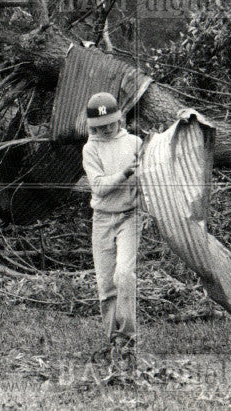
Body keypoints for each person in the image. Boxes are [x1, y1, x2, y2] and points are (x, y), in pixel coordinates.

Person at [81, 91, 143, 359]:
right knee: (106, 284)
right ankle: (111, 342)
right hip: (103, 218)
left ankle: (127, 340)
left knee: (125, 275)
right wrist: (125, 172)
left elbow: (150, 178)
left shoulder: (135, 143)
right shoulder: (90, 148)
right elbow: (99, 186)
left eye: (110, 123)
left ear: (120, 118)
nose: (106, 129)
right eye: (100, 126)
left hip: (130, 216)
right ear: (92, 126)